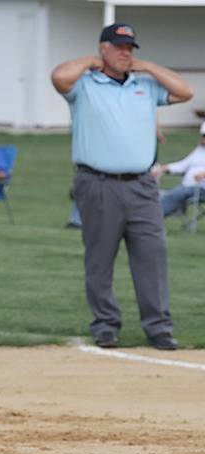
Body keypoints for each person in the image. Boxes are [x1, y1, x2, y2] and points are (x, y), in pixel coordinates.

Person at [51, 23, 193, 351]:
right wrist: (90, 62)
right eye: (118, 47)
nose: (125, 53)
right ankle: (105, 325)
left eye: (129, 48)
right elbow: (59, 77)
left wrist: (150, 67)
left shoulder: (144, 85)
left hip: (142, 185)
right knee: (100, 258)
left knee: (152, 256)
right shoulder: (85, 84)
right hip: (97, 183)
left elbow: (185, 92)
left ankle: (158, 328)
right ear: (103, 48)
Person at [154, 121, 205, 217]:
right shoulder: (200, 150)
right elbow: (183, 165)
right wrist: (163, 168)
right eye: (203, 135)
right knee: (161, 194)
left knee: (176, 193)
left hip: (201, 188)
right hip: (188, 186)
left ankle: (154, 218)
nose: (202, 139)